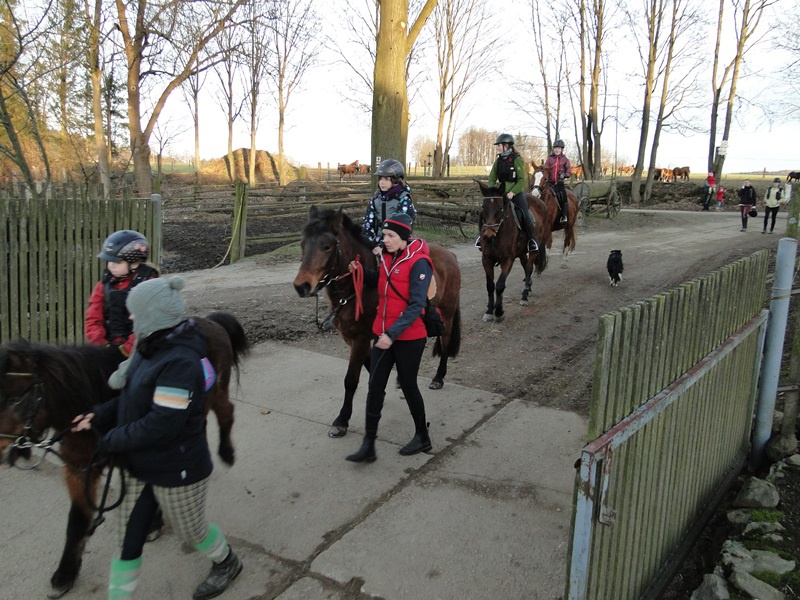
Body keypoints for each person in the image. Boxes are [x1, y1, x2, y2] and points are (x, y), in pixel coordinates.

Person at [72, 277, 243, 600]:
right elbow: (133, 397)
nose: (130, 317)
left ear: (153, 315)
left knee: (192, 532)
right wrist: (99, 415)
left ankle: (227, 562)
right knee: (128, 537)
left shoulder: (179, 363)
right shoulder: (148, 345)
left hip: (177, 468)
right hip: (140, 463)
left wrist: (109, 440)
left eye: (135, 312)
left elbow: (161, 425)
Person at [346, 213, 433, 463]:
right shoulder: (386, 258)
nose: (385, 239)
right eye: (384, 235)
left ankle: (422, 435)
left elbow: (417, 304)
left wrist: (391, 334)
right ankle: (368, 445)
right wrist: (361, 271)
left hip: (409, 337)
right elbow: (382, 281)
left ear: (404, 237)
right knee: (375, 387)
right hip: (382, 334)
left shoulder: (420, 263)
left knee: (408, 385)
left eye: (391, 235)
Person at [85, 230, 159, 357]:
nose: (111, 266)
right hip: (108, 348)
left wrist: (126, 350)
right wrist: (101, 345)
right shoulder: (104, 285)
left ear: (134, 263)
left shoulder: (149, 285)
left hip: (141, 349)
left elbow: (149, 323)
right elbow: (93, 318)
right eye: (109, 261)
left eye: (117, 262)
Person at [483, 133, 538, 252]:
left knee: (525, 214)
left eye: (499, 146)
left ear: (506, 146)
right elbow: (492, 178)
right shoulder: (498, 161)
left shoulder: (517, 159)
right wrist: (492, 191)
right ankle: (480, 238)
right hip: (501, 194)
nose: (497, 148)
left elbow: (521, 180)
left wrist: (513, 192)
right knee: (484, 212)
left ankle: (532, 240)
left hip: (516, 194)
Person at [361, 158, 416, 256]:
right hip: (377, 241)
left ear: (395, 181)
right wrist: (369, 244)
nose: (382, 182)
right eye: (381, 179)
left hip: (397, 242)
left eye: (386, 179)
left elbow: (402, 228)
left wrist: (382, 246)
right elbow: (368, 223)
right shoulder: (375, 198)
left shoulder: (403, 199)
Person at [543, 139, 573, 226]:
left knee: (563, 196)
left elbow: (569, 172)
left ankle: (564, 216)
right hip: (550, 183)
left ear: (561, 149)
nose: (557, 150)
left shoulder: (565, 160)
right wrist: (546, 176)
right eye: (555, 148)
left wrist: (564, 175)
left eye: (559, 148)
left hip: (559, 183)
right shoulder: (549, 159)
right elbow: (545, 169)